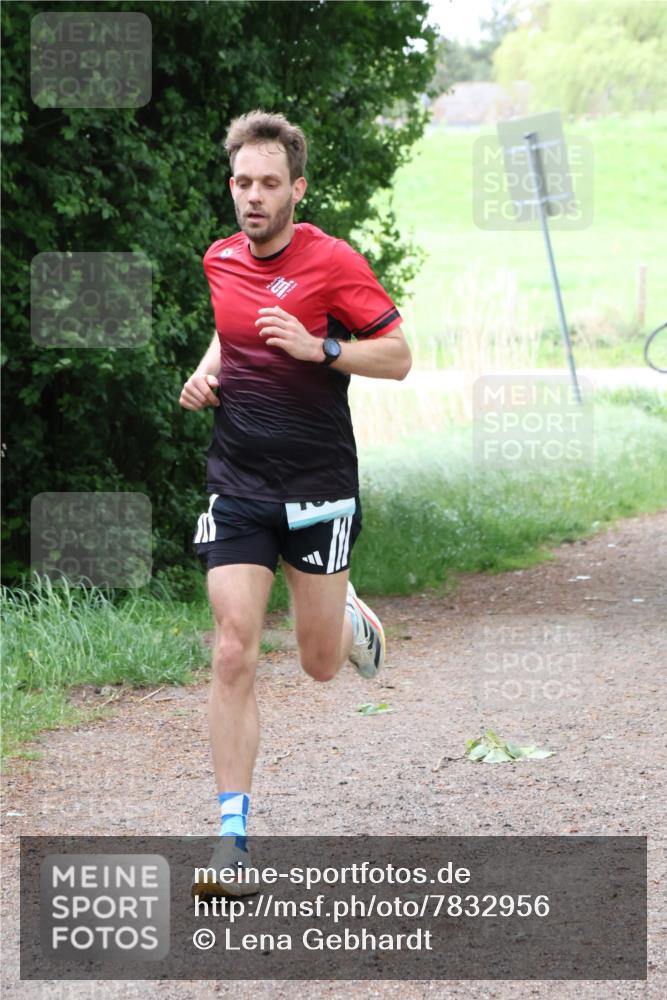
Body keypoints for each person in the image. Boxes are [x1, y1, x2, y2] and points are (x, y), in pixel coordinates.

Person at [180, 110, 411, 895]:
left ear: (296, 189)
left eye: (268, 183)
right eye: (242, 181)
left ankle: (346, 619)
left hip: (318, 488)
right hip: (239, 481)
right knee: (234, 647)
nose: (251, 196)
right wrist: (206, 372)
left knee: (316, 666)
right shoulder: (219, 259)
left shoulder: (332, 263)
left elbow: (400, 356)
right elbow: (230, 331)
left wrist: (324, 349)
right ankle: (232, 841)